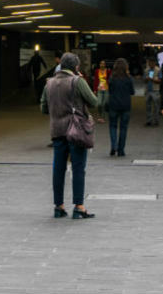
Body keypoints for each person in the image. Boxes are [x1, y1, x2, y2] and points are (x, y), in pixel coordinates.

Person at [40, 52, 99, 219]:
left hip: (57, 131)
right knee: (78, 168)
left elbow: (43, 108)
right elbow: (94, 101)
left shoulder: (49, 83)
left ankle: (58, 206)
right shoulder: (77, 81)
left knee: (58, 169)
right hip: (76, 131)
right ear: (76, 67)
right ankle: (79, 206)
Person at [106, 57, 134, 156]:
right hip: (125, 105)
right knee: (123, 128)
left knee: (113, 126)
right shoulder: (129, 78)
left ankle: (114, 146)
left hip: (113, 104)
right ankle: (121, 150)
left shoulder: (112, 78)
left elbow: (109, 90)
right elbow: (132, 92)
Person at [144, 62, 160, 126]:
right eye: (149, 64)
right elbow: (144, 80)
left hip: (155, 90)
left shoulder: (158, 70)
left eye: (151, 63)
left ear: (154, 63)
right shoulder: (146, 70)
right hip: (148, 90)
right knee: (148, 106)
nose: (150, 65)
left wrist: (153, 79)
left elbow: (160, 80)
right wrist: (146, 79)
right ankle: (149, 121)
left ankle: (156, 121)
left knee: (156, 106)